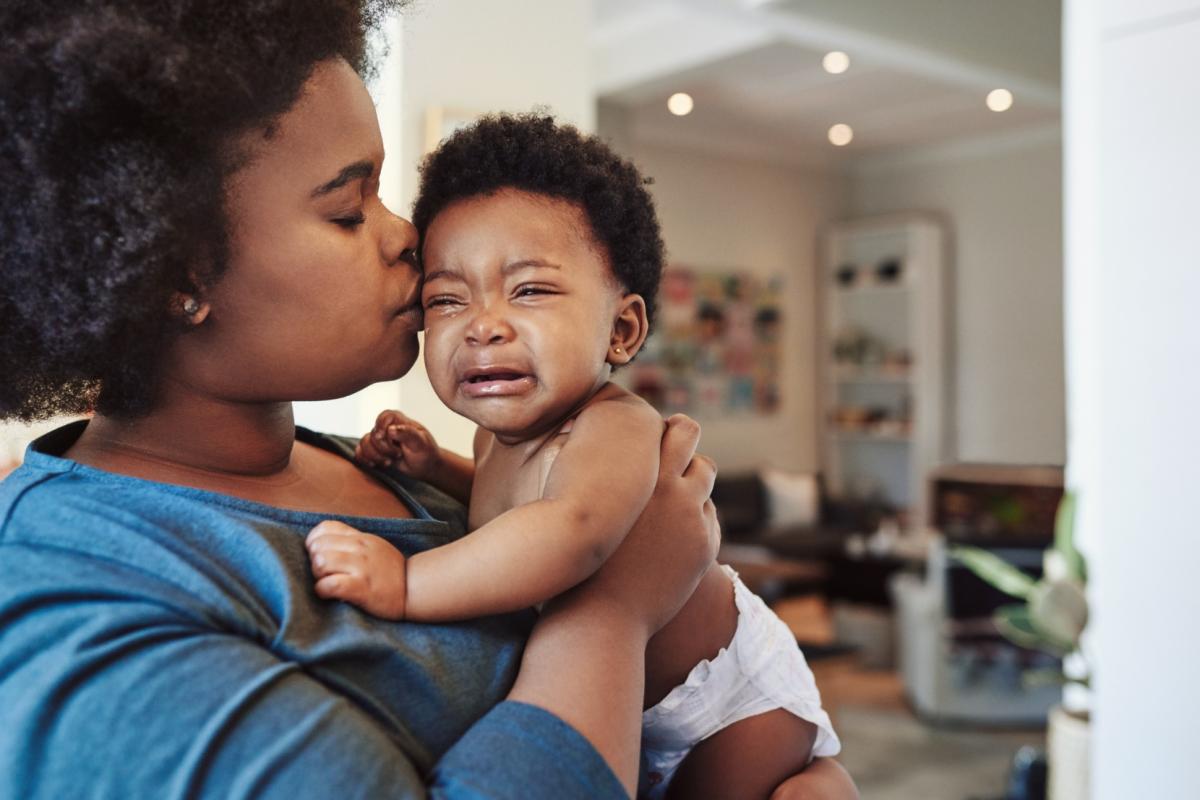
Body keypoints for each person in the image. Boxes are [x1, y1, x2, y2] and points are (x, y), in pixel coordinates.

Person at [0, 2, 858, 798]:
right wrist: (615, 608)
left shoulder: (369, 463)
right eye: (348, 207)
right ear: (175, 273)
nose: (409, 235)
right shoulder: (80, 599)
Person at [308, 114, 840, 800]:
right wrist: (438, 467)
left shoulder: (614, 427)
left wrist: (409, 583)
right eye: (446, 298)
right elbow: (517, 506)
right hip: (626, 703)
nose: (483, 325)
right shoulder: (494, 438)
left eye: (529, 290)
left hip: (727, 699)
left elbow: (573, 532)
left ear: (621, 330)